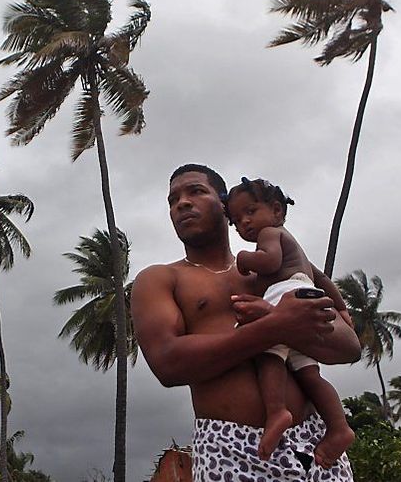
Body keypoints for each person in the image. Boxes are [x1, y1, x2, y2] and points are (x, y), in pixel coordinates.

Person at [132, 164, 361, 481]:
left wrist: (297, 322)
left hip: (316, 444)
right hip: (230, 449)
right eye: (173, 200)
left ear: (225, 207)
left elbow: (348, 347)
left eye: (196, 191)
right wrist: (274, 327)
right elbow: (169, 362)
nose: (182, 203)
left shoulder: (272, 268)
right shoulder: (160, 279)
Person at [224, 177, 356, 467]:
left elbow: (270, 262)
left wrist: (245, 259)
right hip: (305, 297)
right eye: (236, 220)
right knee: (310, 375)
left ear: (276, 210)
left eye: (250, 211)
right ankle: (339, 427)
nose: (243, 222)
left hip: (288, 296)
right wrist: (342, 309)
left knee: (266, 351)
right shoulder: (293, 246)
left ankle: (276, 412)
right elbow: (322, 279)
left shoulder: (270, 234)